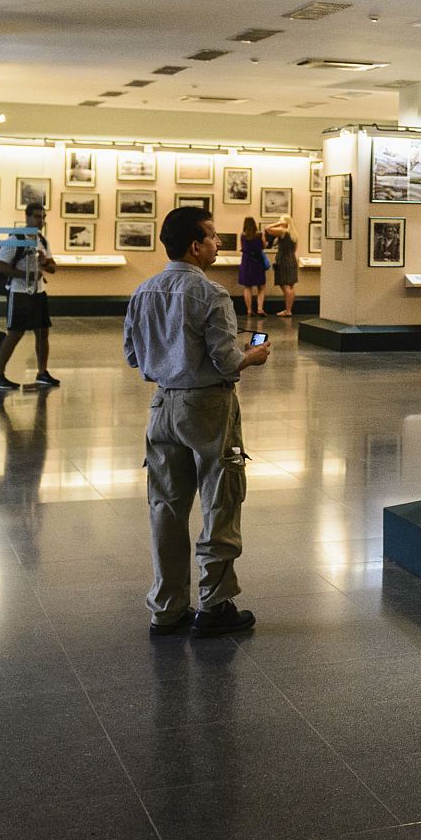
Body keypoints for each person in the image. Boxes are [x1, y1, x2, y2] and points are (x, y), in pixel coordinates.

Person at [124, 208, 271, 637]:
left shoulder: (144, 291)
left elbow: (134, 356)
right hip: (207, 408)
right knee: (219, 500)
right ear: (195, 246)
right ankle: (215, 603)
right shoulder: (212, 295)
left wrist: (170, 359)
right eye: (212, 236)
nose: (218, 243)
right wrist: (253, 356)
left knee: (166, 507)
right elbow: (227, 362)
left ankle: (167, 608)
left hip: (162, 407)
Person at [0, 203, 59, 393]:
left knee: (42, 332)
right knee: (15, 333)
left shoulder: (41, 240)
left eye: (43, 217)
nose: (40, 221)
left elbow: (52, 267)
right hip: (19, 292)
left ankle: (42, 372)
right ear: (27, 218)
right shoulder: (15, 239)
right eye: (36, 216)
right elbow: (0, 265)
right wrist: (24, 274)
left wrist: (45, 263)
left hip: (39, 291)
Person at [235, 215, 268, 318]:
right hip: (258, 262)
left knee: (247, 287)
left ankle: (249, 310)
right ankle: (260, 309)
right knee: (261, 287)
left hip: (247, 263)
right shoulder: (259, 235)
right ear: (254, 224)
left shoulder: (243, 236)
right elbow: (264, 246)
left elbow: (242, 247)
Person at [268, 219, 300, 317]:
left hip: (283, 260)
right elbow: (295, 249)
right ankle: (289, 309)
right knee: (291, 285)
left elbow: (267, 228)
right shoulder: (294, 234)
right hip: (292, 260)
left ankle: (288, 310)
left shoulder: (283, 232)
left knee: (285, 285)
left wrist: (278, 223)